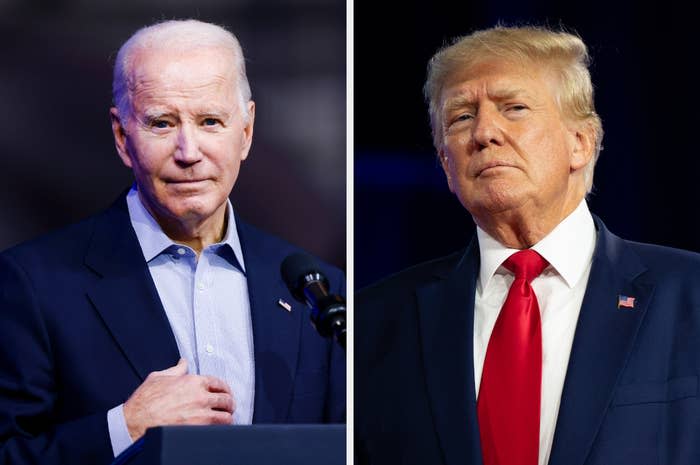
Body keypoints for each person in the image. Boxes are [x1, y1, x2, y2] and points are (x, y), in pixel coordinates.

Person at [0, 19, 345, 465]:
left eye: (210, 121)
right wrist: (126, 425)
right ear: (123, 138)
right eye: (162, 123)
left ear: (245, 132)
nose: (189, 151)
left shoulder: (316, 291)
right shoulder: (32, 284)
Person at [355, 25, 700, 465]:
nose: (483, 133)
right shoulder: (375, 324)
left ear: (581, 143)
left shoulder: (690, 294)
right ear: (446, 164)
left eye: (514, 108)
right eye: (461, 117)